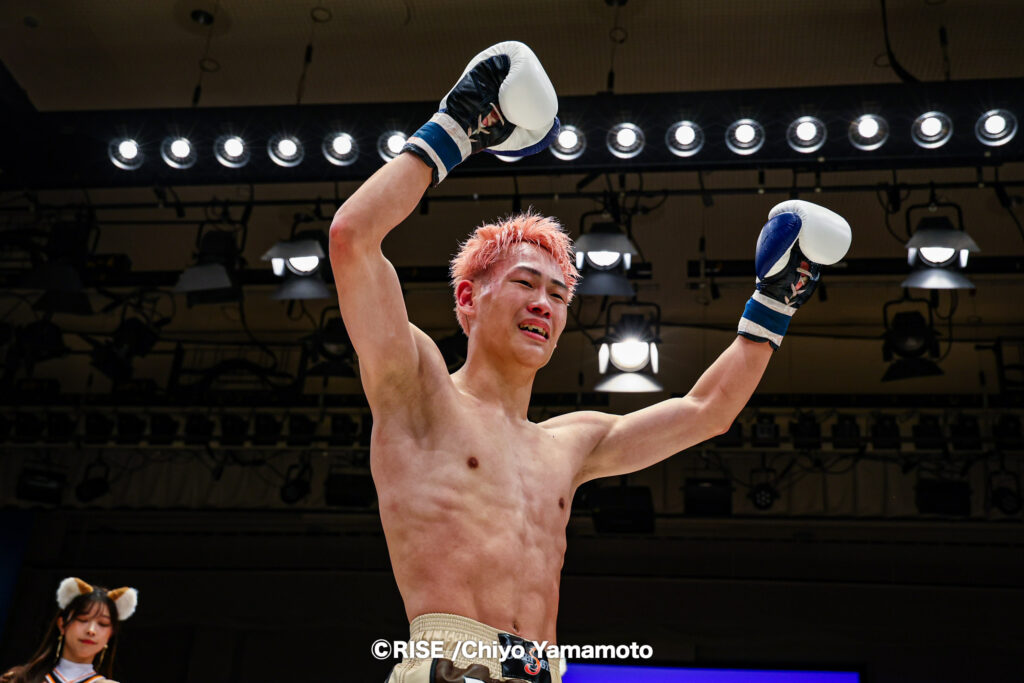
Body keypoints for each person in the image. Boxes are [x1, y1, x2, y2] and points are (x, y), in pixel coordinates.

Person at [329, 41, 851, 683]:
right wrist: (458, 125)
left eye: (557, 294)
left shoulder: (570, 443)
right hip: (450, 664)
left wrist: (775, 301)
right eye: (525, 283)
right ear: (468, 299)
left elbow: (707, 411)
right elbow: (353, 240)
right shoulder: (419, 387)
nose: (543, 304)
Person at [2, 577, 139, 683]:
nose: (91, 630)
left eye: (103, 624)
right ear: (62, 625)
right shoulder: (17, 679)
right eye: (83, 619)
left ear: (111, 634)